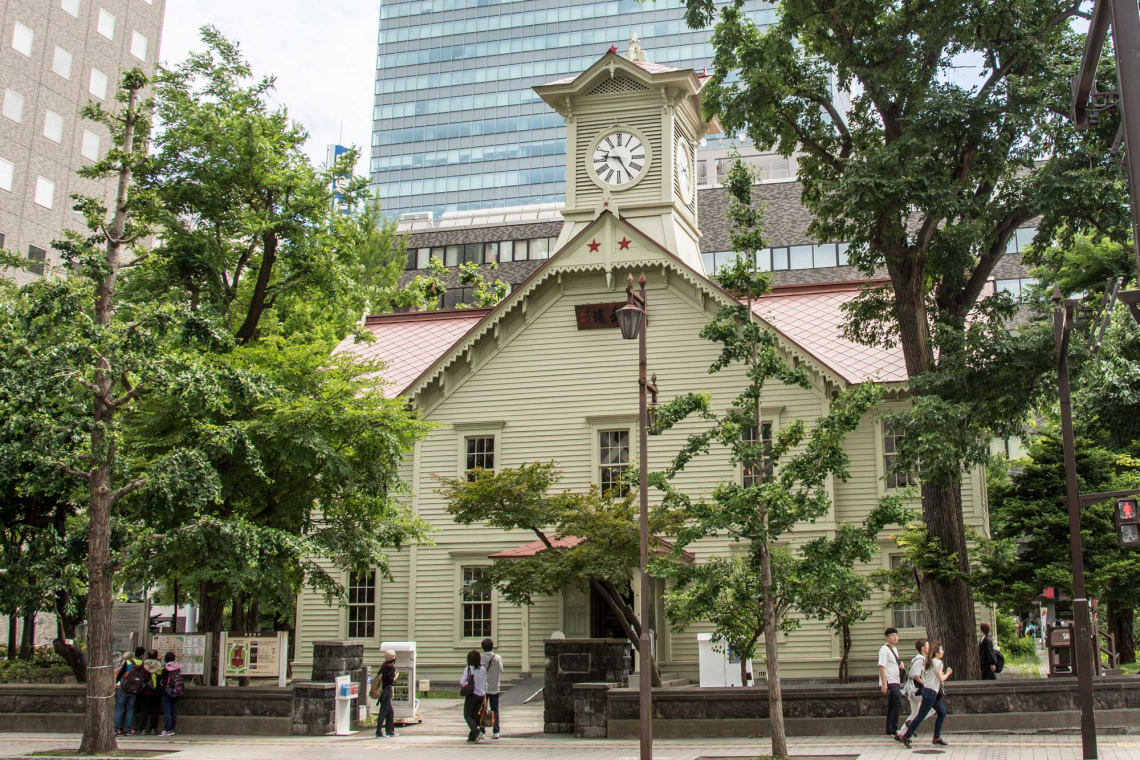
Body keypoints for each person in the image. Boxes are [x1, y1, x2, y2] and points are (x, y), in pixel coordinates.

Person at [899, 641, 952, 748]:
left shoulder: (930, 661)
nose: (943, 651)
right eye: (941, 650)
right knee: (921, 715)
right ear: (937, 652)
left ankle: (936, 738)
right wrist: (948, 673)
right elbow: (941, 679)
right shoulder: (938, 662)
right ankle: (906, 735)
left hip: (929, 691)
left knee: (942, 712)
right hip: (931, 692)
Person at [896, 638, 929, 742]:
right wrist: (926, 684)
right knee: (932, 708)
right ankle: (912, 722)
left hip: (913, 690)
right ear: (923, 648)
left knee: (914, 712)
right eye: (928, 646)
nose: (930, 648)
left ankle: (900, 733)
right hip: (916, 690)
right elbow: (914, 675)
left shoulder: (922, 658)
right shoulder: (920, 659)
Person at [877, 627, 904, 737]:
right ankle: (893, 729)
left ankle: (889, 729)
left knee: (892, 705)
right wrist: (884, 683)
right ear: (887, 638)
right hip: (890, 681)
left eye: (896, 635)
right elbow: (881, 666)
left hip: (895, 680)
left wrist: (900, 663)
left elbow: (892, 663)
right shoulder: (884, 649)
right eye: (892, 635)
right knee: (898, 704)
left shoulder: (894, 649)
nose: (895, 637)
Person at [114, 647, 147, 736]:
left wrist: (115, 683)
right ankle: (128, 729)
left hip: (125, 687)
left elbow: (120, 674)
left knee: (119, 708)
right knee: (130, 709)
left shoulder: (128, 662)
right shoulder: (143, 664)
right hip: (134, 689)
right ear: (142, 655)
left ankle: (116, 729)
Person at [459, 649, 487, 743]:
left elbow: (462, 682)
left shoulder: (468, 669)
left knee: (467, 715)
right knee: (474, 715)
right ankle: (472, 736)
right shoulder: (483, 669)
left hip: (472, 694)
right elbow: (485, 682)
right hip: (481, 695)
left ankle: (477, 731)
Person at [134, 650, 163, 735]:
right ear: (156, 656)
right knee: (155, 711)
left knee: (144, 710)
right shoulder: (160, 665)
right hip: (157, 691)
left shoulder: (143, 665)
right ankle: (153, 728)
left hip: (146, 690)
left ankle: (142, 729)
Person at [480, 638, 504, 740]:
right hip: (495, 687)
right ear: (492, 646)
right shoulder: (498, 658)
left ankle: (482, 731)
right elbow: (501, 670)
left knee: (483, 710)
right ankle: (496, 731)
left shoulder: (481, 658)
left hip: (484, 688)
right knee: (495, 709)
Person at [374, 650, 398, 739]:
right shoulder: (392, 668)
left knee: (390, 712)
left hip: (382, 691)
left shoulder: (383, 666)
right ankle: (378, 732)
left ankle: (390, 730)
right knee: (383, 712)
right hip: (386, 691)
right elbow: (390, 681)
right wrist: (395, 676)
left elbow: (379, 676)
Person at [159, 651, 183, 737]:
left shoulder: (166, 668)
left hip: (167, 691)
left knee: (167, 710)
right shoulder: (177, 668)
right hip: (176, 691)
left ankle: (167, 729)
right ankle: (172, 728)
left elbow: (162, 681)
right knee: (173, 710)